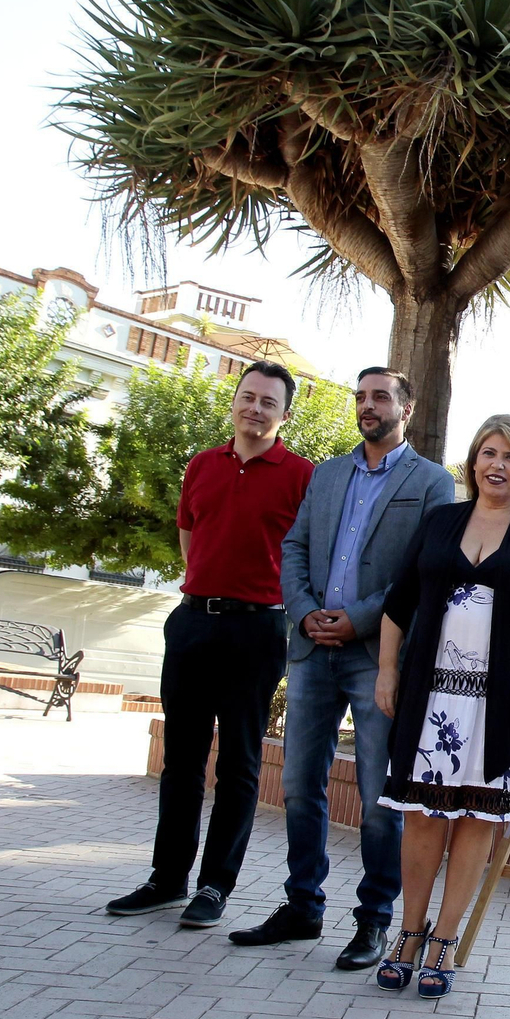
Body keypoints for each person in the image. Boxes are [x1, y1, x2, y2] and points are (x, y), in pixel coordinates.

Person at [227, 368, 455, 968]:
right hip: (310, 651)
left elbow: (420, 572)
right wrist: (302, 613)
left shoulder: (432, 482)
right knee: (301, 784)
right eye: (361, 396)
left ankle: (375, 919)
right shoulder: (327, 474)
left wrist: (355, 619)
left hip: (377, 656)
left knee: (380, 794)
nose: (367, 406)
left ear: (407, 407)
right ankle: (303, 905)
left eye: (381, 396)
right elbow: (295, 547)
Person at [371, 414, 510, 999]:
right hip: (431, 697)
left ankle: (445, 940)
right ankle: (408, 932)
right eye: (488, 452)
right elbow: (398, 604)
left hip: (504, 704)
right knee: (423, 816)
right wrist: (387, 671)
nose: (497, 465)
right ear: (473, 460)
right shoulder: (440, 522)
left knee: (478, 820)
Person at [106, 361, 314, 928]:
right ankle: (167, 879)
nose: (255, 408)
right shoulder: (201, 465)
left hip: (258, 630)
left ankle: (215, 886)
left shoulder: (302, 476)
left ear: (284, 414)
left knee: (241, 763)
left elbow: (308, 556)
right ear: (235, 402)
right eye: (247, 397)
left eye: (268, 401)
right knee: (182, 761)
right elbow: (189, 537)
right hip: (193, 622)